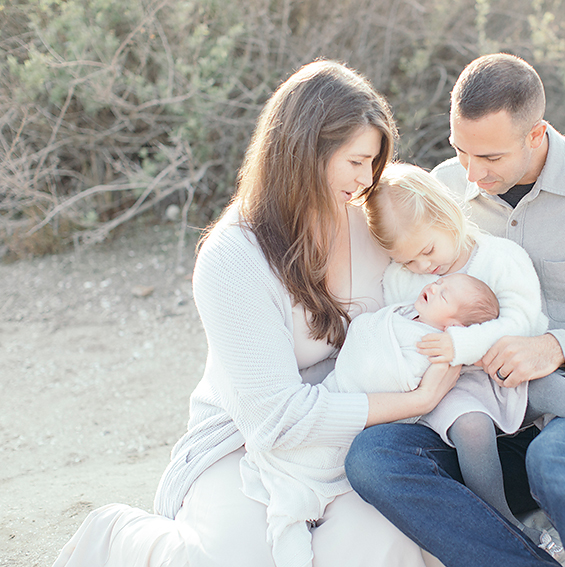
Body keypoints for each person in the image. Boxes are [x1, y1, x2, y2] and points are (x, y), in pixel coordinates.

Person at [52, 60, 461, 567]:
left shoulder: (370, 224)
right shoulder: (233, 256)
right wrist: (416, 399)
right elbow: (275, 420)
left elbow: (445, 260)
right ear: (305, 149)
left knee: (382, 548)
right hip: (243, 440)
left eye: (373, 164)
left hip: (348, 440)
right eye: (355, 161)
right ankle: (121, 537)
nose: (365, 181)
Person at [345, 53, 565, 567]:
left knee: (557, 456)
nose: (473, 176)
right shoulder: (438, 193)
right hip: (485, 406)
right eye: (462, 152)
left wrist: (553, 348)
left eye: (492, 159)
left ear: (537, 134)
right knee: (374, 459)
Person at [244, 272, 498, 567]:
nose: (434, 286)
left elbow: (387, 376)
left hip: (349, 424)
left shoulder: (436, 353)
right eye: (440, 282)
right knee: (289, 484)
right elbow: (364, 331)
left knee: (292, 505)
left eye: (444, 294)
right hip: (331, 396)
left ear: (453, 327)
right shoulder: (402, 314)